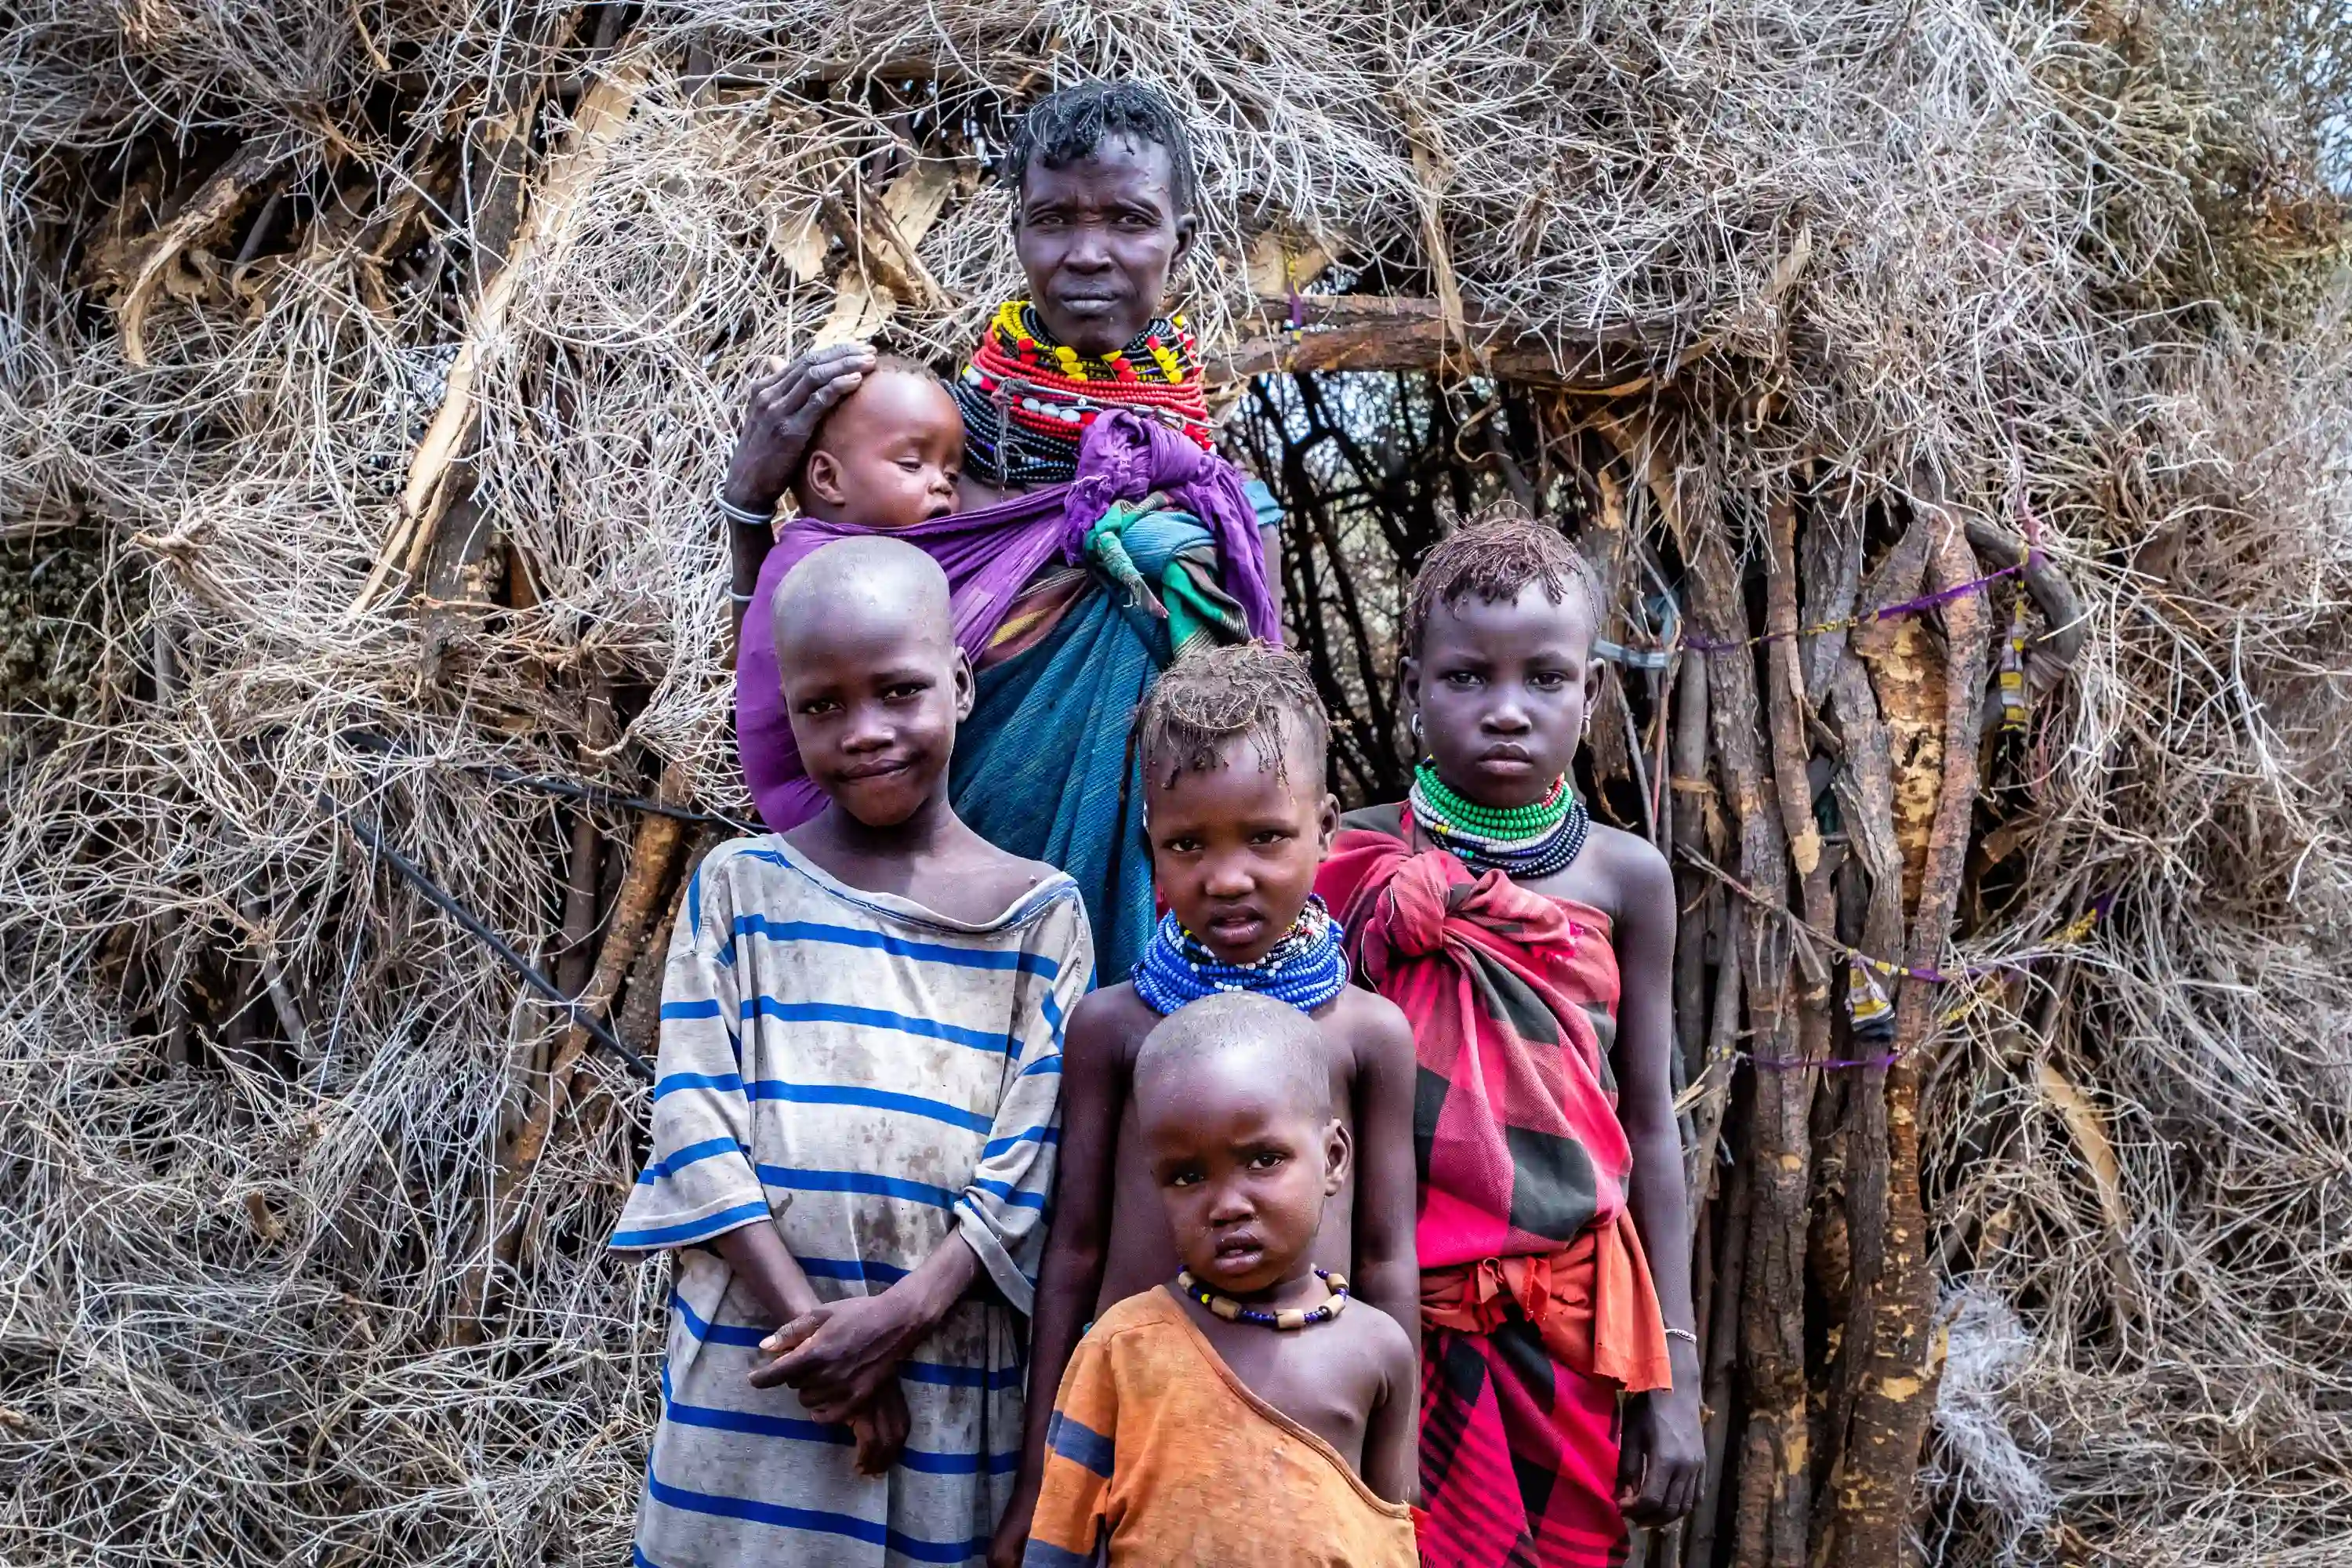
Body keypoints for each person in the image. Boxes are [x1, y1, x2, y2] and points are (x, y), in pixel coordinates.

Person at [724, 80, 1282, 983]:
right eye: (1053, 218)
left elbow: (1263, 767)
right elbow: (789, 695)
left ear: (1184, 236)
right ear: (1016, 230)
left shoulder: (1224, 515)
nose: (1087, 253)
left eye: (1130, 220)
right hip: (901, 946)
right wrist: (751, 511)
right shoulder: (913, 477)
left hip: (1154, 983)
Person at [612, 536, 1091, 1566]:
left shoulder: (1039, 918)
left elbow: (1027, 1171)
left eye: (898, 690)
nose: (865, 732)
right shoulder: (741, 889)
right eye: (823, 706)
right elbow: (695, 1130)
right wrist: (820, 1347)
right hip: (761, 1382)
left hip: (947, 1386)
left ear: (961, 684)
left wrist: (902, 1321)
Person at [1314, 514, 1704, 1566]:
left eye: (1545, 679)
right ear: (1410, 688)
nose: (1506, 712)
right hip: (1388, 1325)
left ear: (1594, 693)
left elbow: (1651, 1133)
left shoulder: (1629, 880)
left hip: (1569, 1335)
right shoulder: (1350, 863)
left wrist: (1676, 1376)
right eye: (1466, 678)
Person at [992, 641, 1419, 1566]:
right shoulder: (1115, 1027)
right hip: (1136, 1424)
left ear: (1327, 828)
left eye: (1265, 836)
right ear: (1150, 839)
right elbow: (1073, 1252)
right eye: (1189, 844)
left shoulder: (1365, 1033)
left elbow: (1387, 1260)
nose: (1227, 877)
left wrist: (1393, 1501)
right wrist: (1040, 1478)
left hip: (1312, 1430)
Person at [1020, 993, 1420, 1567]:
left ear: (1333, 1158)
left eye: (1263, 1160)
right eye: (1187, 1175)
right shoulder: (1123, 1346)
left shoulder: (1379, 1350)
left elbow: (1390, 1538)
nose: (1227, 1205)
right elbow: (1061, 1537)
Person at [722, 358, 964, 641]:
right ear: (828, 479)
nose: (942, 485)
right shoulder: (827, 589)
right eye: (911, 464)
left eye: (953, 476)